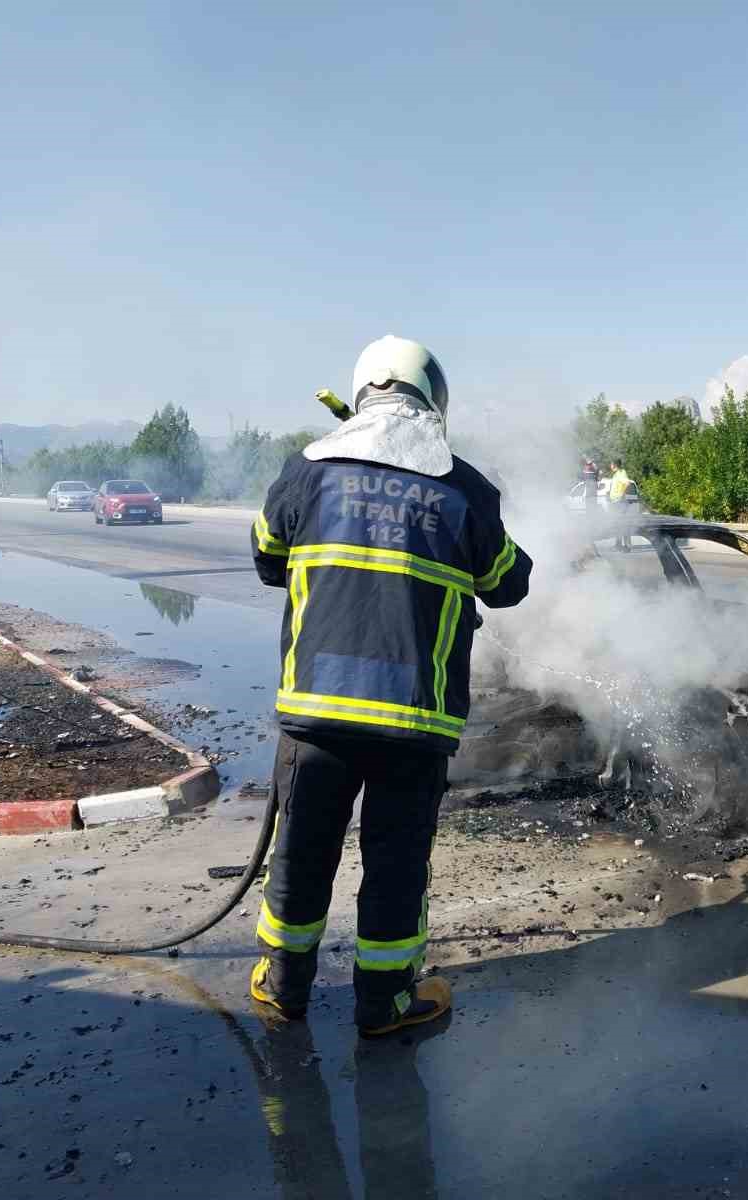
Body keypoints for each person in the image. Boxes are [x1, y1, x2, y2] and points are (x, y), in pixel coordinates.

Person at [249, 335, 533, 1038]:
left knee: (301, 852)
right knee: (397, 863)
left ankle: (283, 988)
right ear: (435, 401)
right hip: (414, 720)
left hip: (318, 708)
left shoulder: (306, 471)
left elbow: (266, 556)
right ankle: (385, 1004)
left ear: (360, 394)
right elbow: (509, 584)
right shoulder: (463, 488)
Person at [607, 458, 633, 550]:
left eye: (611, 464)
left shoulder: (621, 473)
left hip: (620, 503)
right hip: (616, 502)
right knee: (618, 524)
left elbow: (627, 483)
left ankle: (627, 546)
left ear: (614, 465)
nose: (610, 466)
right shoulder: (616, 474)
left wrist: (622, 494)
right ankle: (618, 545)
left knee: (623, 524)